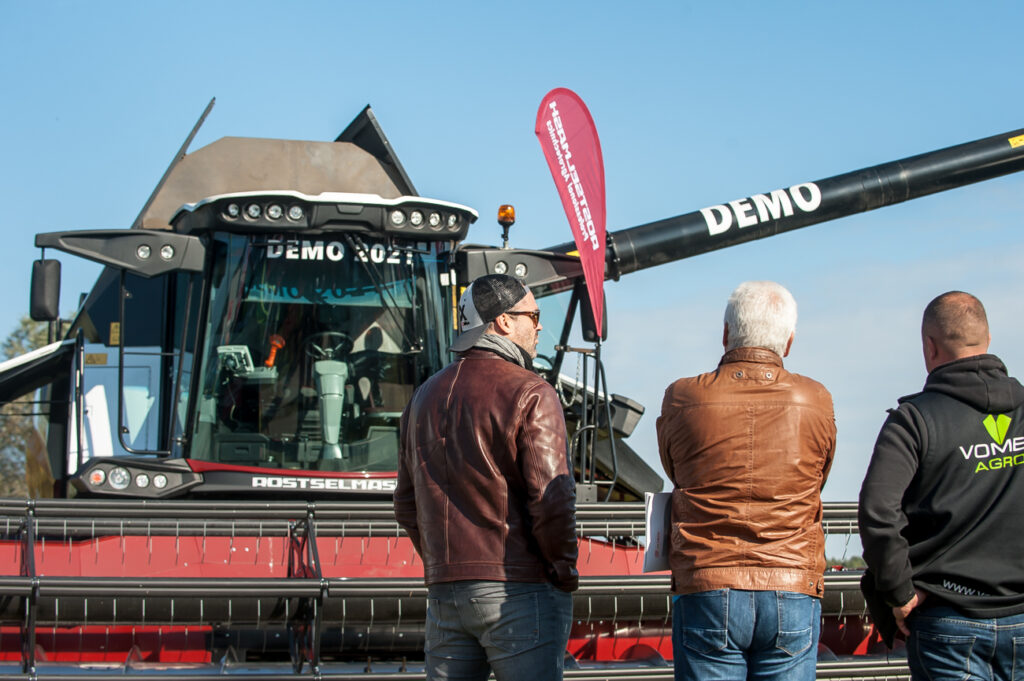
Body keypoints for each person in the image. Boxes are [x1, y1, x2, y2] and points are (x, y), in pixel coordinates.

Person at [394, 273, 578, 681]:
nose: (540, 325)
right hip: (519, 587)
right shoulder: (532, 392)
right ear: (503, 322)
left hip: (445, 593)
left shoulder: (421, 399)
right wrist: (563, 572)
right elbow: (553, 500)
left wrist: (442, 567)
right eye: (533, 315)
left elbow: (406, 505)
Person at [657, 280, 836, 681]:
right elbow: (818, 477)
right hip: (792, 582)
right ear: (788, 342)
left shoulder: (682, 397)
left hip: (708, 579)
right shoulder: (816, 399)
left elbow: (675, 468)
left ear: (725, 334)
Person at [859, 291, 1024, 681]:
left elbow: (879, 511)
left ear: (929, 346)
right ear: (986, 337)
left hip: (947, 621)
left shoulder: (913, 421)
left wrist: (899, 594)